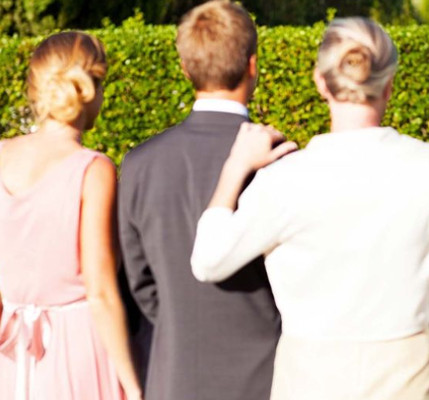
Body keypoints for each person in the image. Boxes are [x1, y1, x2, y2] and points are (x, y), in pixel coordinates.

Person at [190, 17, 429, 400]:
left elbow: (209, 260)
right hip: (407, 368)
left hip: (309, 375)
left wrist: (234, 169)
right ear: (388, 84)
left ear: (321, 82)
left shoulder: (284, 178)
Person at [117, 1, 281, 399]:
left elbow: (138, 284)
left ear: (186, 68)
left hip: (176, 374)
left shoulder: (140, 164)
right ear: (253, 65)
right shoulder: (278, 159)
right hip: (267, 377)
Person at [0, 31, 142, 400]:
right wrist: (132, 382)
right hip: (76, 347)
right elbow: (100, 292)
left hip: (11, 352)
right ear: (90, 89)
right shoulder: (93, 168)